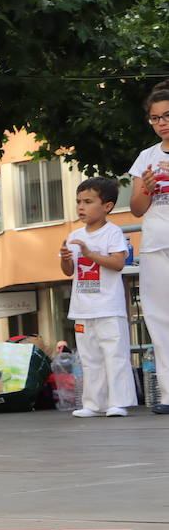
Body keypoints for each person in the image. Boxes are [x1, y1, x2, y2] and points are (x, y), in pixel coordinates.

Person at [59, 178, 135, 417]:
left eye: (88, 201)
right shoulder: (74, 235)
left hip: (109, 307)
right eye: (78, 202)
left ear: (107, 206)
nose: (81, 207)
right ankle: (92, 404)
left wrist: (90, 253)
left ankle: (118, 402)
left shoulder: (112, 232)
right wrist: (65, 257)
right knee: (89, 358)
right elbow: (69, 271)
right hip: (83, 308)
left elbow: (118, 263)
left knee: (115, 355)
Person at [131, 84, 169, 414]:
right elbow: (136, 208)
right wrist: (147, 187)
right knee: (158, 320)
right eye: (155, 118)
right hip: (156, 244)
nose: (162, 123)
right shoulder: (147, 156)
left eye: (168, 116)